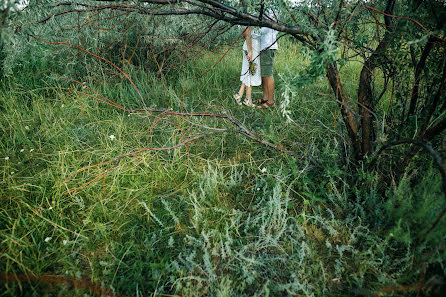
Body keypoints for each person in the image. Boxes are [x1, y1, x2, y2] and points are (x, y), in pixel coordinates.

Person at [234, 26, 261, 107]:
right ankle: (248, 99)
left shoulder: (244, 17)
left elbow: (244, 33)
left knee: (248, 71)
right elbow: (247, 34)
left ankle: (239, 94)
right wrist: (250, 51)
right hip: (253, 46)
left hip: (248, 44)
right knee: (251, 72)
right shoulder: (252, 15)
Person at [255, 26, 278, 109]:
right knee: (264, 73)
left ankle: (270, 101)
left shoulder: (270, 13)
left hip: (268, 47)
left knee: (268, 74)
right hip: (264, 47)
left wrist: (252, 32)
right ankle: (265, 97)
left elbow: (264, 30)